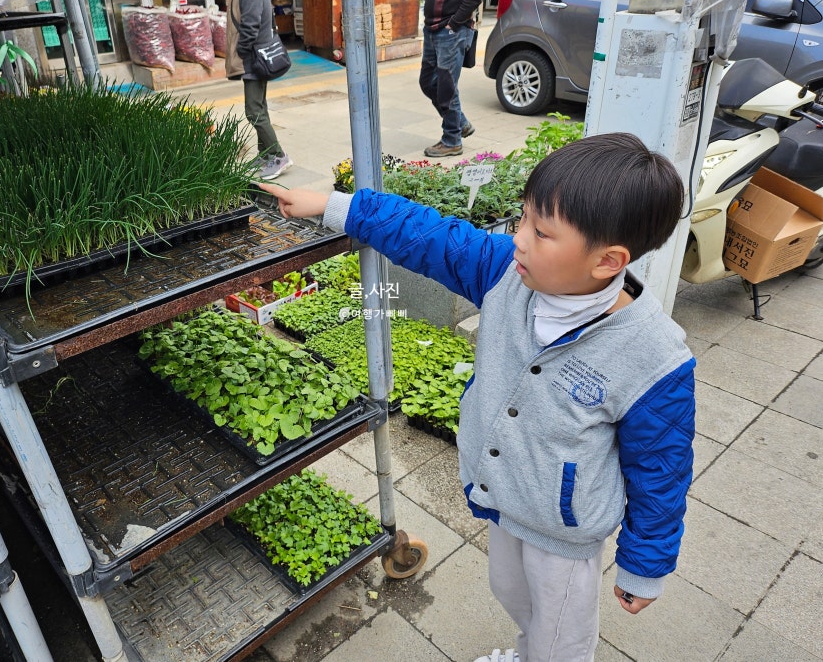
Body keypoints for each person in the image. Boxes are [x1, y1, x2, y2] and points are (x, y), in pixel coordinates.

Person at [259, 132, 696, 662]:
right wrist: (335, 207)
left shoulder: (653, 357)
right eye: (523, 219)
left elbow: (662, 467)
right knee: (513, 595)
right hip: (504, 498)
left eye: (542, 231)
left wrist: (644, 565)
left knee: (562, 637)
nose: (519, 238)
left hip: (563, 530)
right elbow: (431, 236)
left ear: (607, 262)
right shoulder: (506, 275)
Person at [225, 0, 293, 180]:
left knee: (253, 111)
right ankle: (265, 155)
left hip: (253, 57)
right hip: (253, 56)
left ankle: (278, 156)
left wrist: (242, 50)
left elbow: (251, 23)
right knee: (260, 108)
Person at [419, 0, 485, 158]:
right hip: (432, 28)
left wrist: (453, 24)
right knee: (428, 82)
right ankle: (460, 123)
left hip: (451, 31)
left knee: (447, 87)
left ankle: (452, 140)